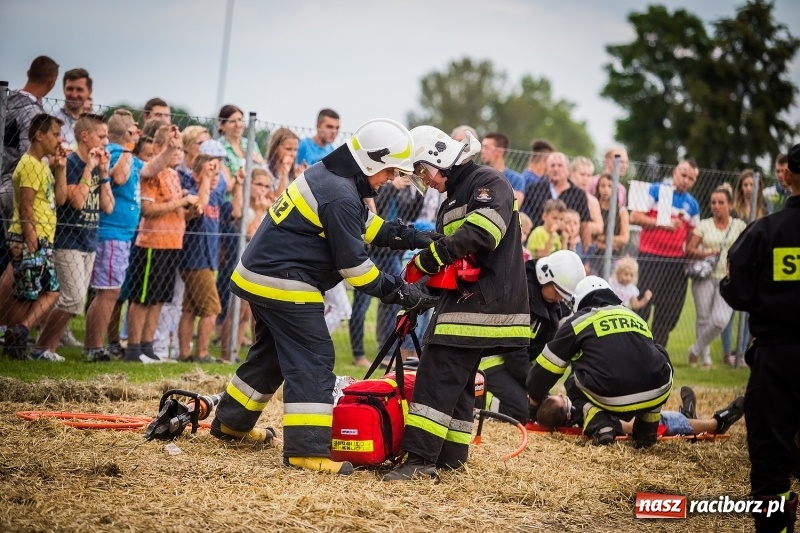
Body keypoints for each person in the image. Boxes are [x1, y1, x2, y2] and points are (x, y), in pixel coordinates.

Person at [212, 118, 440, 475]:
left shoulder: (334, 179)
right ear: (372, 162)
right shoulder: (340, 194)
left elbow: (365, 225)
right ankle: (307, 451)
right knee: (314, 356)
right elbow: (357, 271)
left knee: (270, 357)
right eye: (389, 172)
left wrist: (411, 237)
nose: (388, 181)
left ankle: (231, 423)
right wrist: (403, 293)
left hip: (260, 275)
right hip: (283, 281)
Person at [383, 125, 530, 481]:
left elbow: (482, 233)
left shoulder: (489, 183)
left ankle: (419, 462)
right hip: (462, 302)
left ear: (438, 159)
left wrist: (425, 260)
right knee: (459, 380)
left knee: (437, 373)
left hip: (483, 303)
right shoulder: (452, 197)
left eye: (422, 171)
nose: (424, 180)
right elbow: (453, 265)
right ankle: (451, 457)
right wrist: (419, 301)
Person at [720, 143, 800, 533]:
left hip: (778, 358)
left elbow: (737, 290)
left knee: (770, 462)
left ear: (785, 176)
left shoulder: (765, 232)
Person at [527, 276, 673, 447]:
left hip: (609, 395)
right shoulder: (634, 316)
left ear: (579, 303)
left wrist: (534, 400)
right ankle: (646, 432)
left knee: (572, 381)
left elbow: (548, 366)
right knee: (658, 358)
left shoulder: (578, 321)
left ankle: (600, 425)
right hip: (658, 390)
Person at [30, 114, 114, 361]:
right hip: (68, 240)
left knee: (74, 301)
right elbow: (76, 202)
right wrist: (89, 168)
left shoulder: (98, 165)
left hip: (89, 239)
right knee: (73, 299)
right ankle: (40, 348)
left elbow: (108, 206)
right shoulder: (70, 163)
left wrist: (104, 172)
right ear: (84, 136)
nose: (105, 141)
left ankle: (46, 350)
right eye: (101, 136)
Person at [477, 250, 586, 425]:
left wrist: (539, 391)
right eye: (557, 291)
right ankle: (471, 401)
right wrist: (534, 386)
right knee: (519, 411)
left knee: (534, 406)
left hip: (509, 364)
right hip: (488, 358)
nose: (559, 299)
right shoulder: (519, 293)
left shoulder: (547, 303)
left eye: (563, 295)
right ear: (545, 276)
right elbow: (514, 352)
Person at [125, 123, 195, 363]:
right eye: (171, 146)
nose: (177, 151)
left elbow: (176, 212)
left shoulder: (173, 174)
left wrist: (190, 209)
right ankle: (133, 349)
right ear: (158, 147)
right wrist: (180, 203)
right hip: (152, 243)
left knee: (158, 299)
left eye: (179, 147)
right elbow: (148, 209)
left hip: (172, 244)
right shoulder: (152, 173)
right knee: (142, 299)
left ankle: (148, 347)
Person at [1, 114, 68, 361]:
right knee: (25, 293)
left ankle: (20, 331)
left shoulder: (42, 165)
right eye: (55, 134)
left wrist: (61, 167)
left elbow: (59, 199)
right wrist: (31, 238)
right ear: (39, 135)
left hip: (43, 238)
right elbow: (26, 205)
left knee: (49, 291)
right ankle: (14, 340)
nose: (59, 140)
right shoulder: (29, 164)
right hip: (30, 235)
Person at [82, 109, 141, 361]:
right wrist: (129, 146)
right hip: (112, 234)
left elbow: (148, 169)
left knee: (110, 291)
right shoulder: (119, 152)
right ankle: (94, 347)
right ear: (127, 133)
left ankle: (95, 346)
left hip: (122, 236)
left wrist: (170, 148)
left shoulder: (128, 154)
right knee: (107, 292)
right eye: (133, 131)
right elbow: (119, 176)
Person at [630, 159, 700, 348]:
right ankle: (636, 347)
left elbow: (693, 236)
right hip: (650, 256)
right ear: (675, 172)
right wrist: (662, 223)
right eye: (683, 175)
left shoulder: (693, 205)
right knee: (642, 305)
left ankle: (657, 352)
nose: (686, 180)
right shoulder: (654, 190)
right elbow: (634, 216)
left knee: (669, 310)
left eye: (691, 178)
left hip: (676, 262)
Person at [1, 56, 59, 279]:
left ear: (28, 73)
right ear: (52, 82)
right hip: (21, 192)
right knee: (19, 263)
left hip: (5, 183)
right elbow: (34, 158)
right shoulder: (32, 113)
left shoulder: (7, 102)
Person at [686, 185, 746, 369]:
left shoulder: (739, 226)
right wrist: (707, 253)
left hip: (728, 279)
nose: (716, 206)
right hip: (704, 277)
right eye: (713, 202)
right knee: (703, 318)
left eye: (721, 202)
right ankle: (705, 360)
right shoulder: (704, 225)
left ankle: (695, 349)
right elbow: (689, 250)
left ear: (730, 205)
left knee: (720, 320)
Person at [538, 385, 744, 437]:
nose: (562, 393)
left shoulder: (577, 412)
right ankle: (717, 423)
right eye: (562, 398)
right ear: (568, 413)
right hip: (642, 421)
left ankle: (689, 415)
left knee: (674, 418)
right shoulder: (591, 419)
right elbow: (629, 427)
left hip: (627, 412)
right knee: (669, 420)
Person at [177, 152, 225, 363]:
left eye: (216, 172)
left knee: (190, 308)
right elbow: (199, 208)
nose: (214, 176)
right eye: (208, 171)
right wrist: (204, 179)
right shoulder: (192, 194)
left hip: (208, 260)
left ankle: (184, 354)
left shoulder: (214, 195)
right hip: (195, 260)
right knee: (212, 309)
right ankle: (202, 353)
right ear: (196, 175)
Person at [721, 169, 769, 365]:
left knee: (751, 309)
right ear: (740, 188)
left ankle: (741, 352)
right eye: (746, 185)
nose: (749, 188)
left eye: (752, 184)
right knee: (728, 311)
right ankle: (727, 354)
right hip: (736, 262)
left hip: (756, 265)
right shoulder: (735, 210)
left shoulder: (765, 210)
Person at [520, 152, 591, 248]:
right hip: (537, 242)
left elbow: (585, 225)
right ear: (547, 169)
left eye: (560, 165)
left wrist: (587, 253)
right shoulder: (534, 188)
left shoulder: (578, 194)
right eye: (552, 166)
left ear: (568, 170)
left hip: (567, 244)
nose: (556, 169)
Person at [589, 173, 630, 274]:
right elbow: (589, 236)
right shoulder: (593, 208)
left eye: (610, 186)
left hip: (613, 257)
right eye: (602, 186)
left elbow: (624, 238)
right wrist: (611, 243)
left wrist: (603, 239)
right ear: (598, 188)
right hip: (593, 256)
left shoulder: (621, 212)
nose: (606, 190)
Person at [480, 132, 525, 204]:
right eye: (482, 147)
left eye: (486, 148)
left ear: (500, 151)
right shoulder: (478, 176)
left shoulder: (516, 180)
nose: (482, 151)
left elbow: (515, 205)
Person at [52, 68, 92, 149]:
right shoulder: (51, 121)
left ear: (89, 92)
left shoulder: (95, 123)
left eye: (79, 90)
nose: (74, 95)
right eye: (70, 89)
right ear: (64, 90)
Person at [266, 128, 304, 196]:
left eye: (295, 150)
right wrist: (284, 176)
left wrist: (300, 179)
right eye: (288, 149)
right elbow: (277, 203)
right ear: (276, 148)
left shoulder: (296, 171)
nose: (293, 154)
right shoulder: (265, 171)